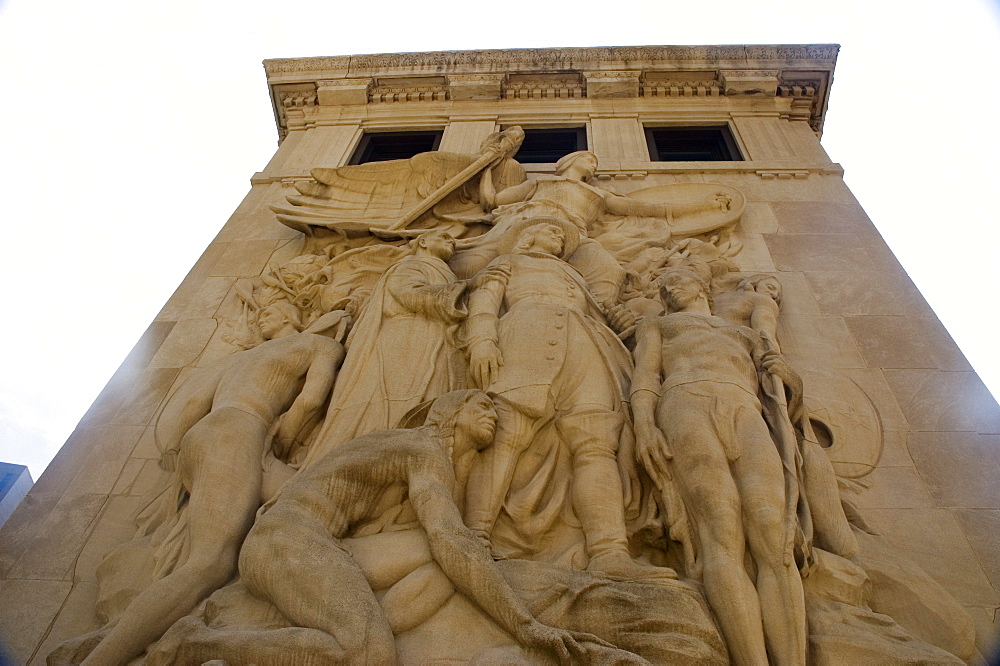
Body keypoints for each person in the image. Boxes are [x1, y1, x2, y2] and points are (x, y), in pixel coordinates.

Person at [238, 390, 608, 664]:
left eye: (494, 409)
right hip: (286, 540)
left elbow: (452, 548)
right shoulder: (422, 449)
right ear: (450, 411)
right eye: (480, 405)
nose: (492, 415)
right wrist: (525, 625)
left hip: (325, 544)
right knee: (368, 653)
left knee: (457, 558)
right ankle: (202, 643)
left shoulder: (427, 458)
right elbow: (447, 537)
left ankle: (374, 622)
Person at [77, 303, 348, 666]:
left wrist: (178, 451)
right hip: (241, 432)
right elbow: (311, 400)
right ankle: (102, 658)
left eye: (267, 314)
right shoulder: (321, 346)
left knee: (308, 505)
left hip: (204, 437)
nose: (262, 317)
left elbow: (193, 404)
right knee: (209, 563)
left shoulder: (243, 359)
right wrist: (279, 442)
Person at [463, 217, 672, 580]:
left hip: (587, 341)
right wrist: (482, 340)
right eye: (550, 231)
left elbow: (600, 314)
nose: (557, 238)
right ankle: (473, 539)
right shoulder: (507, 262)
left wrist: (619, 321)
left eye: (561, 235)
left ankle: (610, 554)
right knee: (508, 432)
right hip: (526, 331)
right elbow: (485, 300)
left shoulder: (577, 278)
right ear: (528, 236)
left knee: (596, 442)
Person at [630, 268, 807, 665]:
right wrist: (644, 426)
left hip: (745, 407)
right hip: (684, 403)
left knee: (772, 532)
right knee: (721, 528)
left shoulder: (745, 334)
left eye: (679, 279)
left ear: (701, 286)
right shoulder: (657, 324)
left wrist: (790, 377)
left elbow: (785, 401)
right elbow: (646, 375)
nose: (670, 286)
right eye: (663, 285)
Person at [303, 229, 504, 467]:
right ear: (423, 241)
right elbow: (408, 294)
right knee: (395, 404)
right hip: (405, 343)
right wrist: (467, 288)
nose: (452, 241)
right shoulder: (411, 265)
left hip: (431, 342)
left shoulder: (439, 270)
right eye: (444, 237)